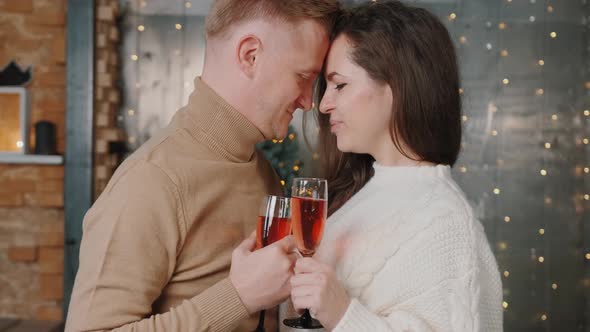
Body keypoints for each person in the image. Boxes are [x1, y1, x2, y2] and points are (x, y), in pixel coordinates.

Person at [65, 0, 340, 331]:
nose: (308, 101)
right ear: (250, 55)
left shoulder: (262, 170)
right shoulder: (151, 180)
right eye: (303, 76)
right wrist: (238, 297)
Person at [283, 1, 503, 331]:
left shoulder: (446, 224)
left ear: (397, 86)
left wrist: (343, 315)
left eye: (340, 85)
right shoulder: (360, 192)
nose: (324, 104)